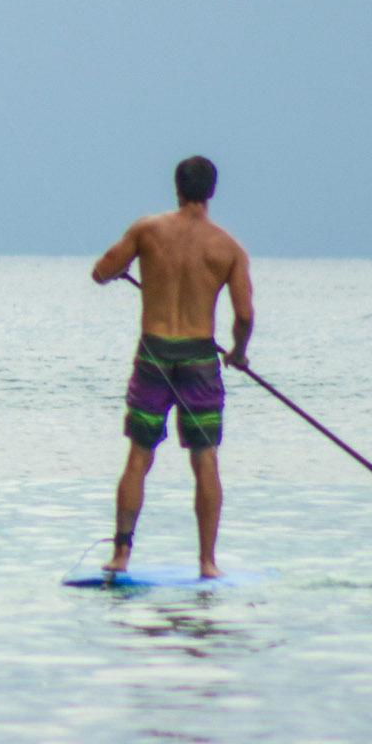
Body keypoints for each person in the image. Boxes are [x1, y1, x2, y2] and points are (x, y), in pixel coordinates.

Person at [89, 154, 255, 578]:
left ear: (177, 189)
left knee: (139, 456)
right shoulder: (228, 248)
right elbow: (244, 316)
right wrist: (238, 351)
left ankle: (121, 556)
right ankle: (207, 563)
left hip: (155, 355)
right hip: (200, 358)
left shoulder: (147, 230)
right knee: (205, 458)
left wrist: (119, 271)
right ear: (212, 192)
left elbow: (101, 271)